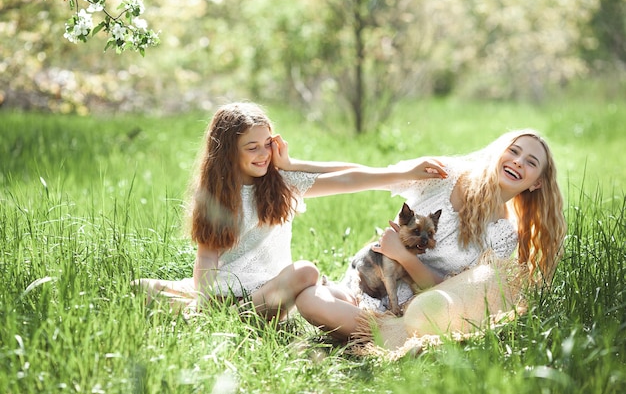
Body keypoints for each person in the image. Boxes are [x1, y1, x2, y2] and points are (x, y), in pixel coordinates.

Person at [132, 102, 447, 322]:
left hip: (268, 293)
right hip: (224, 292)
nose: (263, 154)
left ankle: (233, 321)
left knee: (306, 271)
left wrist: (403, 171)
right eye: (251, 147)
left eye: (267, 144)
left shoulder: (282, 183)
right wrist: (203, 301)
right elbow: (207, 258)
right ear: (227, 153)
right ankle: (212, 314)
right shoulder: (214, 197)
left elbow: (349, 176)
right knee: (137, 289)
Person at [294, 129, 567, 346]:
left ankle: (384, 336)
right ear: (499, 154)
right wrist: (293, 165)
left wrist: (402, 255)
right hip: (367, 284)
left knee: (413, 320)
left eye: (531, 162)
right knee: (310, 299)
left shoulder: (504, 235)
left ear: (537, 183)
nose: (518, 161)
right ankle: (374, 339)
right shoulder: (446, 175)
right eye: (514, 151)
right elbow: (367, 174)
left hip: (413, 311)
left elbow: (452, 291)